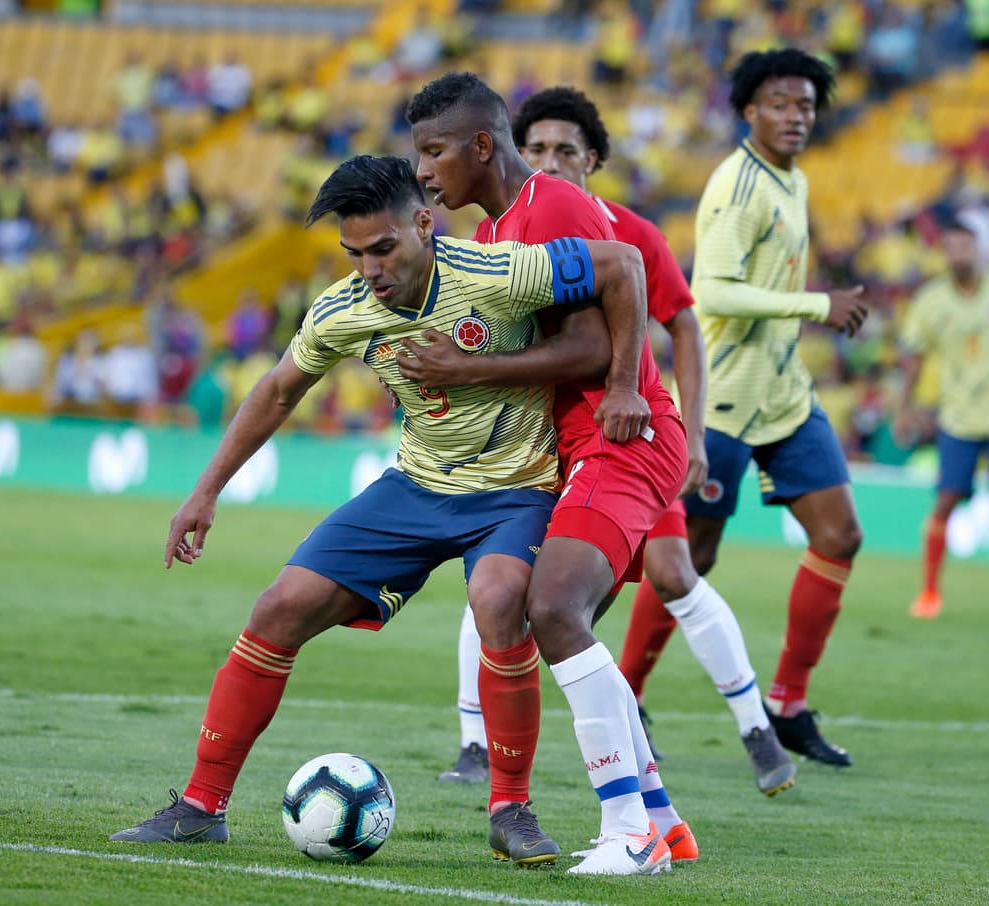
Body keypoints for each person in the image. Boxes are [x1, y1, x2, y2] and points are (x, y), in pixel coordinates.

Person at [108, 155, 651, 868]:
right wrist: (205, 491)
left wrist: (623, 384)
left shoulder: (497, 273)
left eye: (384, 248)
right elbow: (277, 391)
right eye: (355, 253)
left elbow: (623, 266)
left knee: (498, 601)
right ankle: (201, 807)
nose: (371, 268)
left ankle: (511, 809)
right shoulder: (343, 309)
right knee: (278, 608)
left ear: (424, 224)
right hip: (414, 488)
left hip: (515, 492)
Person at [432, 85, 796, 797]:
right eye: (537, 148)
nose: (550, 160)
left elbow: (682, 326)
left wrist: (691, 431)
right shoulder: (493, 236)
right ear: (512, 151)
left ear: (591, 159)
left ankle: (751, 730)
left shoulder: (627, 231)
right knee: (507, 585)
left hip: (625, 433)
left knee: (665, 574)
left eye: (566, 149)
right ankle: (486, 744)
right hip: (557, 447)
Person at [407, 72, 690, 875]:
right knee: (564, 616)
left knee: (554, 608)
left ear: (480, 147)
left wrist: (628, 384)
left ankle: (628, 832)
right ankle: (662, 820)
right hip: (578, 446)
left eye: (434, 152)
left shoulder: (552, 205)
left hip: (617, 432)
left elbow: (600, 331)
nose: (424, 171)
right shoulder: (497, 235)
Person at [635, 48, 868, 767]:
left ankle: (788, 703)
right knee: (690, 554)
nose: (795, 116)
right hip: (726, 397)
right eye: (779, 104)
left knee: (840, 535)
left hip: (784, 391)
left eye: (804, 105)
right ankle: (625, 692)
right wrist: (816, 304)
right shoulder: (737, 186)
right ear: (749, 111)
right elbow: (717, 291)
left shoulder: (790, 180)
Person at [896, 214, 989, 620]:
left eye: (965, 245)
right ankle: (929, 592)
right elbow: (913, 357)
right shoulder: (931, 300)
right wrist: (905, 408)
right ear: (943, 252)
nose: (958, 253)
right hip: (957, 417)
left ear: (979, 249)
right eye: (950, 246)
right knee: (945, 501)